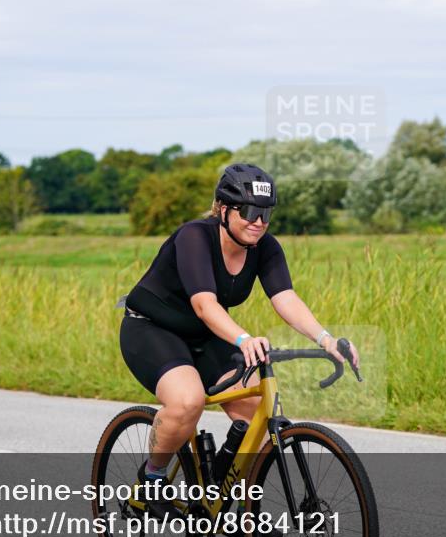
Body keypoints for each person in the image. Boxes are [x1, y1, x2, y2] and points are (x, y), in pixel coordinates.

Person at [118, 163, 360, 512]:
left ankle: (236, 510)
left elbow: (285, 298)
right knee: (188, 402)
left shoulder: (265, 247)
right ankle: (151, 481)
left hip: (205, 334)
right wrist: (244, 339)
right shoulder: (194, 237)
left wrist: (326, 339)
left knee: (257, 416)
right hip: (152, 329)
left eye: (266, 213)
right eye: (248, 211)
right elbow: (204, 305)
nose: (258, 221)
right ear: (222, 209)